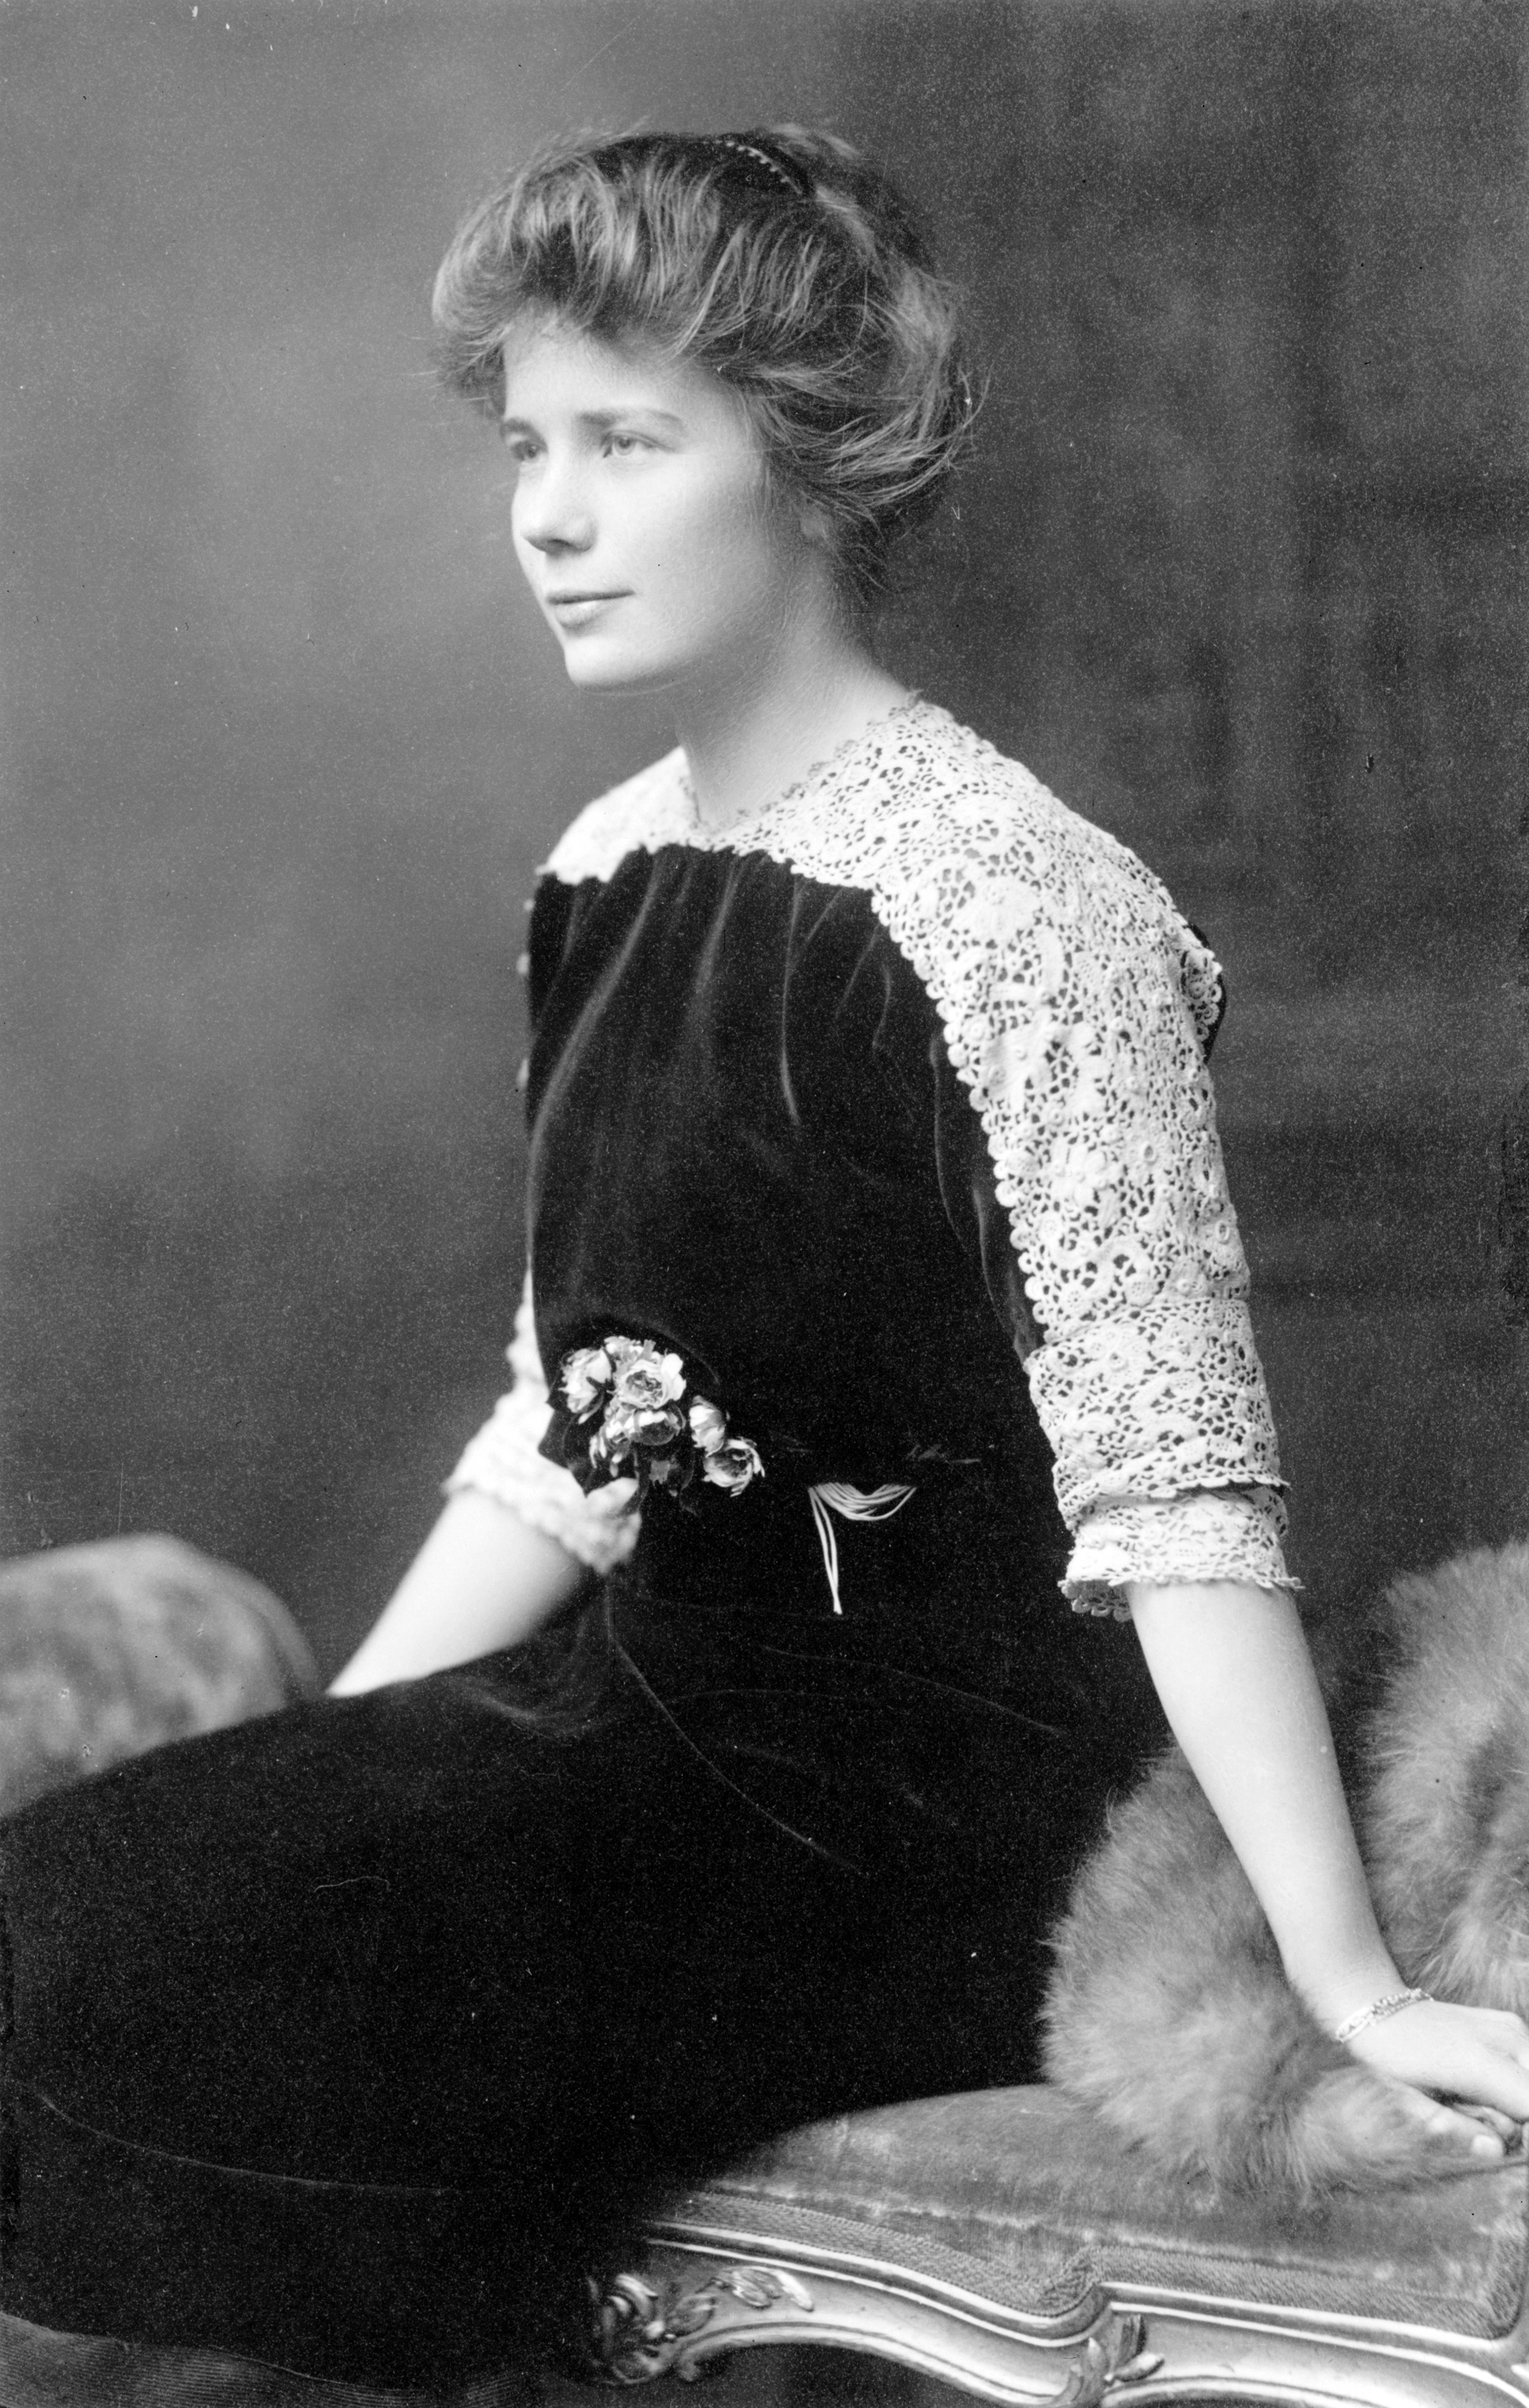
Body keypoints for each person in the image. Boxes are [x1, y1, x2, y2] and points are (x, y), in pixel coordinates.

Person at [3, 123, 1528, 2399]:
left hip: (933, 1819)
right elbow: (565, 1428)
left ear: (814, 460)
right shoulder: (605, 871)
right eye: (527, 445)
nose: (548, 513)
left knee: (115, 1996)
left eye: (627, 443)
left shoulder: (1020, 905)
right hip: (647, 1730)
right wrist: (329, 1766)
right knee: (63, 1927)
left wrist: (1344, 1976)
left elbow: (1183, 1493)